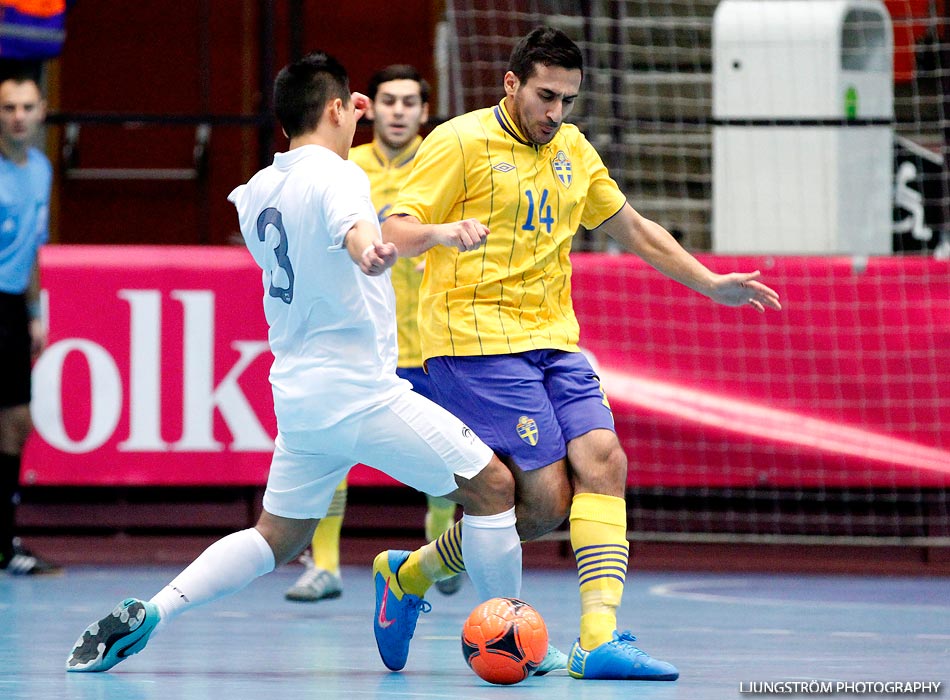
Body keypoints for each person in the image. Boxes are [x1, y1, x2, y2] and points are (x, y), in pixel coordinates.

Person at [65, 50, 524, 673]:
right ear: (338, 108)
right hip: (361, 391)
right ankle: (513, 634)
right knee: (493, 486)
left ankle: (155, 611)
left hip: (300, 396)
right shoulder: (339, 177)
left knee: (274, 537)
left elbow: (315, 214)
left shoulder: (259, 189)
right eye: (351, 106)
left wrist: (344, 140)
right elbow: (354, 227)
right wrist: (372, 251)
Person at [376, 27, 782, 682]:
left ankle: (597, 639)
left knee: (604, 459)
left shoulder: (572, 149)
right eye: (545, 96)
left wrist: (710, 282)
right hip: (473, 343)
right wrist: (445, 231)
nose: (555, 113)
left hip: (554, 341)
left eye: (567, 99)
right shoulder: (459, 141)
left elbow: (635, 229)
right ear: (511, 84)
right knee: (541, 501)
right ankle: (411, 572)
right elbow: (393, 228)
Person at [284, 64, 461, 603]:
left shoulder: (444, 163)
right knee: (334, 460)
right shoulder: (344, 165)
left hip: (433, 341)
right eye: (389, 101)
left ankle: (437, 555)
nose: (399, 111)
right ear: (369, 107)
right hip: (363, 345)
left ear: (425, 111)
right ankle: (327, 565)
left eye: (410, 102)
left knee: (446, 463)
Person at [0, 63, 61, 576]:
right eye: (8, 108)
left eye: (26, 107)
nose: (18, 117)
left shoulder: (40, 168)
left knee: (16, 425)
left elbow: (34, 248)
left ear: (40, 112)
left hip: (14, 307)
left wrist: (36, 313)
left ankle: (5, 543)